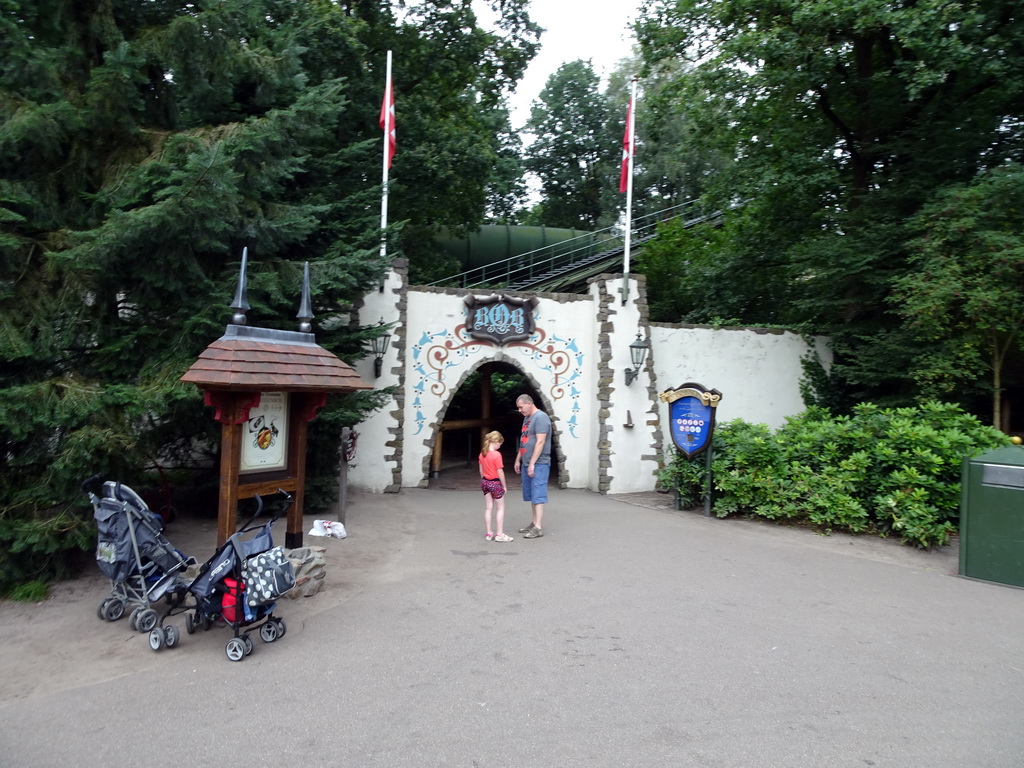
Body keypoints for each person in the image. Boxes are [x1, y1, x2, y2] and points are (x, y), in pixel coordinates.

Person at [513, 394, 551, 539]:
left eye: (521, 407)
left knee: (538, 493)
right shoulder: (527, 418)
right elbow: (524, 441)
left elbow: (540, 442)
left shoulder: (541, 418)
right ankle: (534, 523)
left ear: (529, 404)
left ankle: (538, 527)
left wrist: (533, 464)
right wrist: (518, 460)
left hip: (539, 463)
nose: (519, 410)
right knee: (532, 495)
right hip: (527, 462)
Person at [478, 430, 512, 542]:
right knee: (500, 508)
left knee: (488, 508)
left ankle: (489, 533)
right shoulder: (496, 455)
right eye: (500, 444)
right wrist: (504, 486)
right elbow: (500, 472)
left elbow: (481, 470)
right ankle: (499, 534)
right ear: (496, 441)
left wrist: (484, 479)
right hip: (495, 483)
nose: (500, 446)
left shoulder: (482, 453)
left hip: (485, 482)